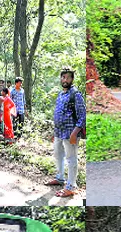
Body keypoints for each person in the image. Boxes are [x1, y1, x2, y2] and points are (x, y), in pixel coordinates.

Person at [46, 66, 86, 197]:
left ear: (72, 79)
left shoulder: (76, 94)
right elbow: (59, 113)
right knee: (58, 155)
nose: (65, 79)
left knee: (71, 158)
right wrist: (54, 132)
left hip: (70, 133)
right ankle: (60, 178)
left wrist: (75, 133)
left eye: (68, 77)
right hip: (58, 132)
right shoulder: (60, 94)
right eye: (63, 77)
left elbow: (82, 116)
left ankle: (71, 186)